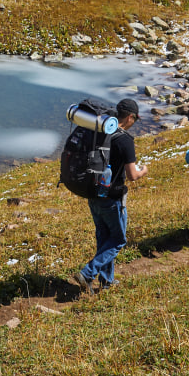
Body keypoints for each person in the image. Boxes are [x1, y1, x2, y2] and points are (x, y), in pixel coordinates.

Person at [72, 97, 147, 292]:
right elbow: (132, 175)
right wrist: (143, 171)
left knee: (104, 238)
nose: (134, 123)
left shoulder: (100, 131)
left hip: (93, 193)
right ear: (130, 117)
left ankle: (106, 281)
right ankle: (87, 273)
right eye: (135, 119)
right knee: (118, 240)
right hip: (112, 198)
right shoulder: (124, 140)